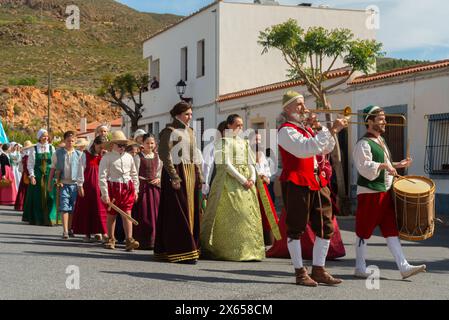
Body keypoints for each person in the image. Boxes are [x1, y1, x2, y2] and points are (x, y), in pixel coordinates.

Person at [277, 91, 347, 287]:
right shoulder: (286, 130)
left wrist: (330, 131)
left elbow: (324, 149)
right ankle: (300, 272)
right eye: (298, 104)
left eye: (302, 103)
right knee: (295, 228)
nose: (304, 107)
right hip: (296, 182)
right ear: (287, 108)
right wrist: (330, 130)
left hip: (317, 182)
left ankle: (319, 269)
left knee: (326, 227)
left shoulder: (306, 129)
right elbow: (305, 149)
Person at [353, 105, 426, 280]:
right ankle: (360, 267)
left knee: (391, 230)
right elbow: (364, 167)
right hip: (370, 193)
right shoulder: (363, 143)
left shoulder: (380, 141)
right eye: (380, 119)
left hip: (385, 192)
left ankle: (404, 267)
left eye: (384, 118)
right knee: (363, 231)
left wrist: (397, 165)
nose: (385, 121)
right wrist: (384, 166)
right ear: (369, 122)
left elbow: (384, 163)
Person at [200, 115, 268, 261]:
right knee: (233, 214)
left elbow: (251, 162)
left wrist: (252, 178)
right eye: (237, 125)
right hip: (228, 183)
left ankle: (251, 250)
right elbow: (226, 164)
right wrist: (243, 180)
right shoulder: (222, 143)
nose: (240, 128)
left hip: (246, 183)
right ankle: (230, 250)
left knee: (248, 215)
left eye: (242, 125)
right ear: (229, 126)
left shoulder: (244, 142)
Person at [154, 101, 203, 264]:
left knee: (192, 211)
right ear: (177, 115)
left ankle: (191, 249)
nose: (190, 117)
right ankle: (180, 249)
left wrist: (200, 175)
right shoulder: (169, 131)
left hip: (191, 173)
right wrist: (174, 176)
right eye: (186, 114)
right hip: (176, 171)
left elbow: (195, 154)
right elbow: (164, 154)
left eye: (190, 114)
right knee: (178, 211)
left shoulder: (190, 131)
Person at [99, 130, 140, 251]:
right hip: (113, 188)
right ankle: (111, 239)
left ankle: (129, 240)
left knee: (127, 214)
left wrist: (136, 190)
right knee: (111, 215)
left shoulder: (129, 157)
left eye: (124, 145)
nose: (122, 147)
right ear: (113, 145)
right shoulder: (107, 157)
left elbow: (134, 174)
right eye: (119, 145)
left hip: (127, 188)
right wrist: (104, 193)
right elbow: (102, 176)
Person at [72, 136, 108, 242]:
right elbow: (80, 170)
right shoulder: (85, 155)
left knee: (101, 210)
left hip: (101, 186)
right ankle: (87, 234)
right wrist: (80, 185)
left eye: (103, 147)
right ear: (95, 145)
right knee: (87, 210)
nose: (101, 149)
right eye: (99, 147)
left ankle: (103, 232)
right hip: (88, 186)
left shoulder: (105, 156)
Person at [49, 131, 83, 239]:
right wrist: (50, 182)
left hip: (74, 184)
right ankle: (65, 231)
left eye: (72, 141)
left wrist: (81, 185)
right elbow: (53, 168)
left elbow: (81, 171)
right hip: (62, 183)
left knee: (72, 208)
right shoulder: (57, 153)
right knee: (64, 207)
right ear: (64, 141)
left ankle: (70, 228)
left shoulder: (79, 154)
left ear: (75, 141)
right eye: (68, 141)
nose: (70, 143)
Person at [132, 133, 162, 249]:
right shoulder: (138, 157)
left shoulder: (158, 157)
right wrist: (136, 189)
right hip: (142, 187)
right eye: (147, 143)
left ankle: (155, 240)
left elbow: (159, 171)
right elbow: (134, 173)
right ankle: (143, 240)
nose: (150, 145)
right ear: (142, 144)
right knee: (143, 213)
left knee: (156, 214)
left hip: (154, 189)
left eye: (152, 143)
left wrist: (158, 179)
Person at [22, 129, 58, 226]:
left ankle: (50, 218)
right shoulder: (33, 149)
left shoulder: (51, 148)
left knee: (50, 197)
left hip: (49, 176)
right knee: (37, 197)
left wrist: (55, 176)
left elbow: (55, 163)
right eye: (43, 136)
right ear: (39, 137)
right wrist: (32, 176)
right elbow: (30, 164)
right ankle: (37, 218)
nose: (45, 138)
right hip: (37, 176)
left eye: (46, 136)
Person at [15, 141, 34, 211]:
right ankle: (24, 205)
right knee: (26, 189)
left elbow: (20, 168)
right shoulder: (27, 155)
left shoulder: (23, 155)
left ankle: (21, 205)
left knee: (23, 189)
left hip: (25, 173)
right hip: (28, 174)